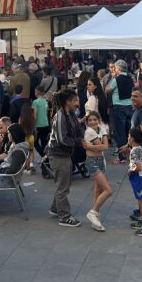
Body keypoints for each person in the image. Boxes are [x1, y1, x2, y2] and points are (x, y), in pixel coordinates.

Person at [47, 89, 83, 227]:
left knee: (64, 184)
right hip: (58, 154)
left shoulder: (71, 114)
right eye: (75, 101)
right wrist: (80, 142)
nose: (77, 104)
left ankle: (55, 208)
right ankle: (64, 216)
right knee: (63, 186)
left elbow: (78, 130)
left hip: (65, 154)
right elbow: (62, 139)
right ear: (68, 102)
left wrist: (83, 137)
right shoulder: (61, 116)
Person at [82, 111, 112, 230]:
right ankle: (93, 212)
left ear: (99, 120)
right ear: (87, 122)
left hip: (101, 161)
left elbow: (105, 147)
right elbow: (102, 145)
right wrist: (95, 148)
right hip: (92, 162)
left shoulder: (102, 129)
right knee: (108, 190)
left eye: (95, 119)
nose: (93, 122)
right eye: (90, 120)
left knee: (98, 189)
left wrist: (90, 147)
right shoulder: (89, 132)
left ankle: (95, 220)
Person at [106, 60, 134, 159]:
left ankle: (122, 156)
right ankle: (130, 152)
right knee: (128, 130)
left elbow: (107, 90)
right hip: (129, 106)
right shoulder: (130, 78)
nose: (115, 69)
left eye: (116, 68)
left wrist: (112, 78)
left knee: (120, 131)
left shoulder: (116, 79)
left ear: (119, 68)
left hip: (119, 106)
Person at [32, 85, 51, 160]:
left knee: (34, 141)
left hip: (38, 124)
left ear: (37, 92)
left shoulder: (35, 102)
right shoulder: (46, 101)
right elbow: (46, 113)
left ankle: (43, 155)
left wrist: (34, 126)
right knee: (44, 142)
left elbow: (35, 115)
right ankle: (46, 158)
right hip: (45, 124)